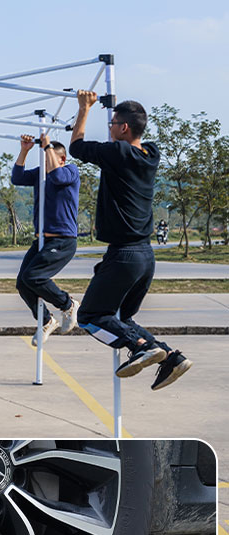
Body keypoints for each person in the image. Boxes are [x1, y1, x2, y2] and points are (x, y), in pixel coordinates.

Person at [69, 91, 192, 390]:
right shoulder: (151, 154)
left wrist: (84, 109)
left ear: (124, 128)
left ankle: (139, 347)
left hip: (124, 255)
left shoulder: (118, 153)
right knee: (124, 316)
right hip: (145, 257)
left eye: (113, 123)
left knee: (90, 315)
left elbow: (76, 147)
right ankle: (171, 357)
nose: (109, 128)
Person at [12, 134, 81, 343]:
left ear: (62, 159)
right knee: (23, 283)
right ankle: (46, 320)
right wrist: (25, 151)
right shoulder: (40, 175)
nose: (45, 163)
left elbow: (59, 178)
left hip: (63, 240)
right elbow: (17, 178)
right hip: (42, 240)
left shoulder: (70, 171)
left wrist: (48, 145)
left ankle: (68, 305)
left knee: (34, 277)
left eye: (49, 157)